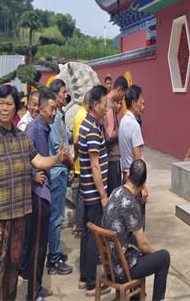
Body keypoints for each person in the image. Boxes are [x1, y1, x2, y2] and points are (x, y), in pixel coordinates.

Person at [0, 84, 69, 301]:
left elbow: (38, 161)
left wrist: (58, 158)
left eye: (9, 104)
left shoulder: (21, 137)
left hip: (18, 217)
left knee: (12, 274)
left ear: (16, 107)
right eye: (1, 103)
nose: (4, 108)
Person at [101, 159, 170, 301]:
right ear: (144, 184)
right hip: (121, 270)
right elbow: (143, 245)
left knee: (136, 250)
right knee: (164, 257)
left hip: (109, 265)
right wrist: (153, 254)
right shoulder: (132, 204)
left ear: (128, 174)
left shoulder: (115, 191)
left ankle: (136, 296)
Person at [21, 90, 58, 301]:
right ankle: (33, 293)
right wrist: (32, 175)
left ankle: (37, 286)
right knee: (36, 246)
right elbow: (23, 158)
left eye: (56, 108)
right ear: (41, 109)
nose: (54, 112)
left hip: (44, 193)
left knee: (41, 245)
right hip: (37, 193)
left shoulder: (44, 128)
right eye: (51, 109)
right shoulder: (33, 128)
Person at [78, 84, 111, 297]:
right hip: (93, 193)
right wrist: (103, 195)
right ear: (95, 104)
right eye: (105, 105)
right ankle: (91, 284)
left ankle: (84, 277)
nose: (107, 109)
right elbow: (95, 166)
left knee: (87, 233)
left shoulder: (90, 123)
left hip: (89, 191)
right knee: (93, 237)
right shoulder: (91, 128)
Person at [46, 79, 74, 275]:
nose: (66, 95)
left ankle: (55, 252)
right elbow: (59, 149)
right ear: (56, 94)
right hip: (56, 172)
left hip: (59, 171)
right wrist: (71, 163)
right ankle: (54, 260)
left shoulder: (59, 115)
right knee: (56, 218)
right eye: (64, 92)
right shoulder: (55, 117)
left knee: (56, 217)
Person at [118, 85, 147, 228]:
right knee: (137, 223)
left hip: (126, 176)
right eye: (141, 102)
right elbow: (137, 157)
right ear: (133, 103)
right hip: (135, 179)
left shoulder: (123, 121)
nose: (143, 106)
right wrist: (143, 186)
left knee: (128, 221)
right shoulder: (134, 125)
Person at [104, 76, 128, 196]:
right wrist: (120, 131)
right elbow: (110, 135)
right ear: (119, 89)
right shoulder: (109, 106)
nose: (122, 99)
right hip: (111, 158)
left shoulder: (106, 102)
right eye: (122, 95)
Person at [72, 90, 91, 238]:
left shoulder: (78, 113)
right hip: (81, 162)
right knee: (82, 196)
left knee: (80, 194)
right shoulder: (83, 116)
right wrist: (76, 156)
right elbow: (77, 141)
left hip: (79, 162)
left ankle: (77, 224)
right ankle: (78, 225)